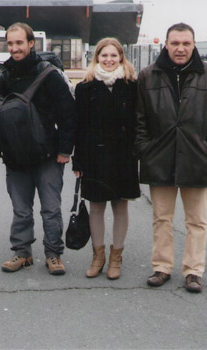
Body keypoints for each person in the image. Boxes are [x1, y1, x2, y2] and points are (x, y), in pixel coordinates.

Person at [135, 23, 207, 292]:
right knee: (161, 217)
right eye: (175, 43)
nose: (180, 48)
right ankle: (162, 267)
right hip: (159, 156)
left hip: (197, 158)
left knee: (196, 220)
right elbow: (139, 119)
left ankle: (193, 271)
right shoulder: (148, 76)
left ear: (194, 45)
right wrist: (145, 148)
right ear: (166, 44)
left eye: (186, 43)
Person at [0, 22, 77, 275]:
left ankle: (53, 254)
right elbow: (2, 117)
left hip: (48, 155)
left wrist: (65, 150)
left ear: (31, 43)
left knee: (51, 209)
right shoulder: (6, 76)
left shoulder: (49, 74)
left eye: (19, 43)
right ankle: (22, 253)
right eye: (10, 43)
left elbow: (68, 115)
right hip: (16, 156)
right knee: (21, 210)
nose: (14, 48)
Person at [73, 37, 140, 280]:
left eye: (114, 55)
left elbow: (138, 123)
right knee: (96, 207)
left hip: (124, 156)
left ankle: (116, 257)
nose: (109, 60)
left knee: (120, 206)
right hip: (94, 157)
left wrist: (136, 152)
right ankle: (98, 256)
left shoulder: (132, 85)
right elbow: (79, 127)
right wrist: (77, 160)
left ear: (121, 58)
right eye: (104, 56)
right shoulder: (85, 87)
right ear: (97, 58)